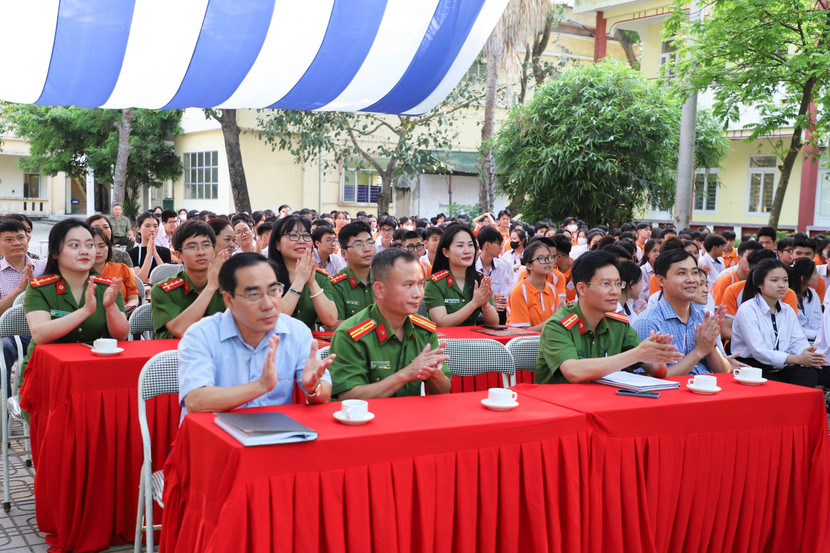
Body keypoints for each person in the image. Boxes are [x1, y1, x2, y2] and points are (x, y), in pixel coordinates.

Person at [177, 253, 333, 416]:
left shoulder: (296, 332)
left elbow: (323, 394)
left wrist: (314, 388)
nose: (268, 305)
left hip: (275, 429)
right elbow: (195, 401)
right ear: (229, 300)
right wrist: (260, 386)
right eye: (254, 295)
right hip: (215, 428)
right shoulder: (201, 335)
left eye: (273, 291)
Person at [535, 251, 683, 384]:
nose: (615, 291)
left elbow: (658, 372)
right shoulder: (558, 325)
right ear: (582, 288)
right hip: (560, 402)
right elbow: (573, 372)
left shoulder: (618, 323)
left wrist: (657, 355)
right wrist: (637, 354)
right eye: (606, 284)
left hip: (603, 401)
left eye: (618, 284)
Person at [328, 248, 451, 399]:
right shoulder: (351, 334)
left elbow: (444, 391)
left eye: (420, 284)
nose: (418, 293)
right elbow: (347, 397)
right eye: (408, 285)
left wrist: (434, 374)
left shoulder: (424, 330)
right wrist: (406, 374)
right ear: (379, 290)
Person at [21, 219, 129, 390]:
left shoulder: (107, 288)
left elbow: (121, 335)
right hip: (47, 375)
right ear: (55, 252)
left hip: (92, 372)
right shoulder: (39, 288)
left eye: (90, 245)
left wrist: (110, 307)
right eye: (74, 245)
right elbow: (40, 334)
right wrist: (85, 311)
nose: (84, 251)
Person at [634, 249, 730, 376]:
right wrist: (699, 351)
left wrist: (710, 347)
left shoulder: (704, 316)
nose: (691, 280)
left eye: (694, 272)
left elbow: (724, 371)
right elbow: (648, 378)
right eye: (681, 273)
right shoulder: (648, 322)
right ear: (661, 280)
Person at [732, 259, 824, 387]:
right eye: (774, 280)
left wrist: (805, 352)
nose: (782, 285)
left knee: (808, 374)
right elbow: (759, 351)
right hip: (752, 365)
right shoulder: (747, 309)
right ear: (760, 284)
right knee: (774, 384)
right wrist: (797, 359)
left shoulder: (787, 310)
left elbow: (797, 340)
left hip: (782, 364)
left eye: (785, 280)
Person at [151, 221, 228, 339]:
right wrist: (211, 287)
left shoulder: (228, 285)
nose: (201, 252)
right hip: (176, 350)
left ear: (213, 250)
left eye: (206, 245)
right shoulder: (162, 291)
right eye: (192, 246)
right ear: (179, 255)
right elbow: (181, 330)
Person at [267, 215, 337, 330]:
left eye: (306, 236)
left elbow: (331, 320)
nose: (301, 241)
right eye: (293, 235)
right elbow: (275, 319)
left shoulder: (320, 277)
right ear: (277, 244)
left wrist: (312, 283)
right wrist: (299, 281)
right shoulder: (265, 276)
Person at [0, 220, 46, 393]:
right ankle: (5, 399)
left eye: (21, 237)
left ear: (28, 239)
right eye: (9, 239)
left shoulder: (44, 267)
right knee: (4, 347)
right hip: (9, 335)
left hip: (43, 331)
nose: (17, 243)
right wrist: (19, 290)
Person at [424, 224, 499, 327]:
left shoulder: (480, 280)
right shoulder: (435, 283)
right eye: (460, 246)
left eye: (470, 245)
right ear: (446, 252)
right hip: (445, 337)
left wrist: (485, 304)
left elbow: (494, 323)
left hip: (472, 337)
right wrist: (474, 303)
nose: (467, 251)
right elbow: (441, 322)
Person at [329, 221, 376, 324]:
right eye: (358, 245)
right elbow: (334, 325)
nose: (367, 249)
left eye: (370, 243)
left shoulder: (383, 280)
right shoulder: (335, 286)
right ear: (344, 253)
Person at [507, 241, 558, 330]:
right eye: (541, 258)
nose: (547, 262)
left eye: (550, 257)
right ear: (529, 266)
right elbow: (522, 331)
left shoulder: (552, 289)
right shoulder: (519, 291)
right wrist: (554, 320)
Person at [91, 228, 139, 312]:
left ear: (109, 248)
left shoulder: (122, 269)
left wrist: (126, 310)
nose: (97, 251)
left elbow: (133, 298)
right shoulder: (79, 273)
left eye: (101, 246)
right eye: (91, 246)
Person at [476, 226, 516, 324]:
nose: (501, 247)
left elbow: (510, 290)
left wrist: (499, 300)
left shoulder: (504, 265)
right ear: (487, 245)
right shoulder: (471, 267)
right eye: (498, 243)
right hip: (477, 317)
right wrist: (490, 304)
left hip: (500, 314)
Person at [128, 212, 172, 283]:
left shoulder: (165, 251)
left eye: (155, 226)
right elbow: (139, 281)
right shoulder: (131, 253)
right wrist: (148, 255)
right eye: (147, 226)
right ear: (138, 229)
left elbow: (167, 277)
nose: (152, 229)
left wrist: (155, 254)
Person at [788, 257, 821, 341]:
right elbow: (792, 327)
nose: (818, 275)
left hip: (814, 339)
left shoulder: (813, 294)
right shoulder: (788, 296)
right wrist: (815, 335)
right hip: (794, 340)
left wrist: (819, 336)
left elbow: (818, 321)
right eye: (815, 273)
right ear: (803, 278)